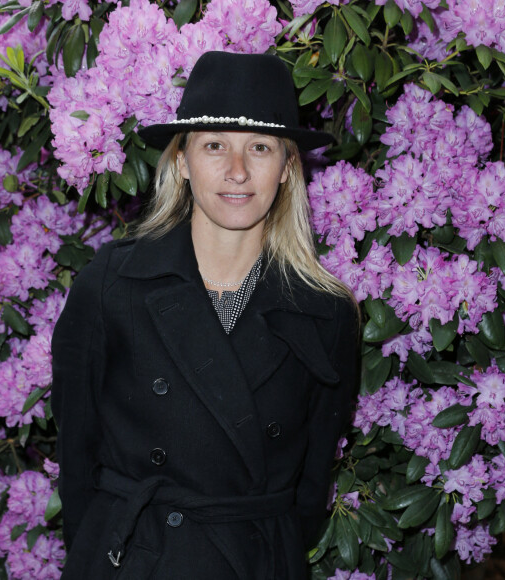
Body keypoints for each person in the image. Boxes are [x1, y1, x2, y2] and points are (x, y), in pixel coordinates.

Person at [51, 51, 358, 580]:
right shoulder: (112, 284)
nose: (237, 171)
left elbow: (309, 489)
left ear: (287, 169)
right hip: (133, 560)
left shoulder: (326, 312)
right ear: (182, 162)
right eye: (214, 145)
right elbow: (76, 455)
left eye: (259, 148)